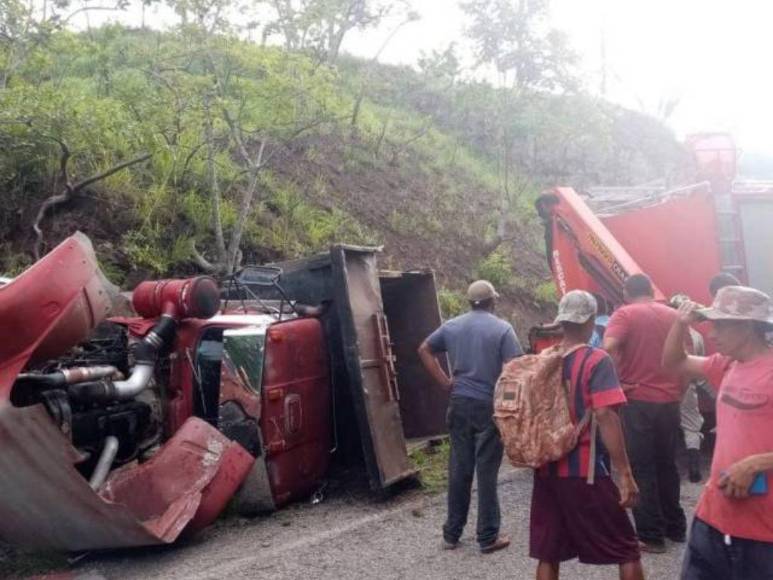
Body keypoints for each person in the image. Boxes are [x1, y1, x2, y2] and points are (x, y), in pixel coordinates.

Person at [530, 290, 643, 580]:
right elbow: (605, 415)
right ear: (591, 319)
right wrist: (625, 474)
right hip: (584, 469)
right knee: (627, 548)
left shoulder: (543, 359)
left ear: (561, 321)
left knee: (549, 553)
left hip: (545, 468)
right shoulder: (596, 360)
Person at [662, 285, 773, 579]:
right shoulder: (725, 365)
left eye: (720, 325)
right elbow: (673, 363)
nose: (712, 334)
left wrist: (756, 463)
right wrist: (679, 323)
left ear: (747, 326)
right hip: (712, 519)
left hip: (763, 534)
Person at [418, 280, 522, 554]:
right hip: (488, 405)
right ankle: (488, 537)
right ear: (492, 301)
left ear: (469, 302)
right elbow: (513, 373)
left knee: (459, 470)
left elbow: (424, 349)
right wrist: (508, 411)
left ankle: (452, 534)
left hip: (459, 403)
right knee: (486, 472)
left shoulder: (452, 326)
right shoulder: (503, 329)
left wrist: (444, 381)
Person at [602, 274, 687, 553]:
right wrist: (679, 390)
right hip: (670, 401)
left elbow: (608, 349)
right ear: (651, 290)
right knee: (667, 464)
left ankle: (651, 535)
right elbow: (686, 355)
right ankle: (676, 527)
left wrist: (616, 384)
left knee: (642, 467)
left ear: (626, 292)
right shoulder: (673, 314)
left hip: (638, 399)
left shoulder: (624, 314)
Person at [670, 294, 707, 483]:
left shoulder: (667, 333)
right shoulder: (697, 336)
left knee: (666, 425)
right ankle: (694, 465)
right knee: (692, 427)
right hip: (689, 387)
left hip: (666, 386)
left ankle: (668, 467)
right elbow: (700, 363)